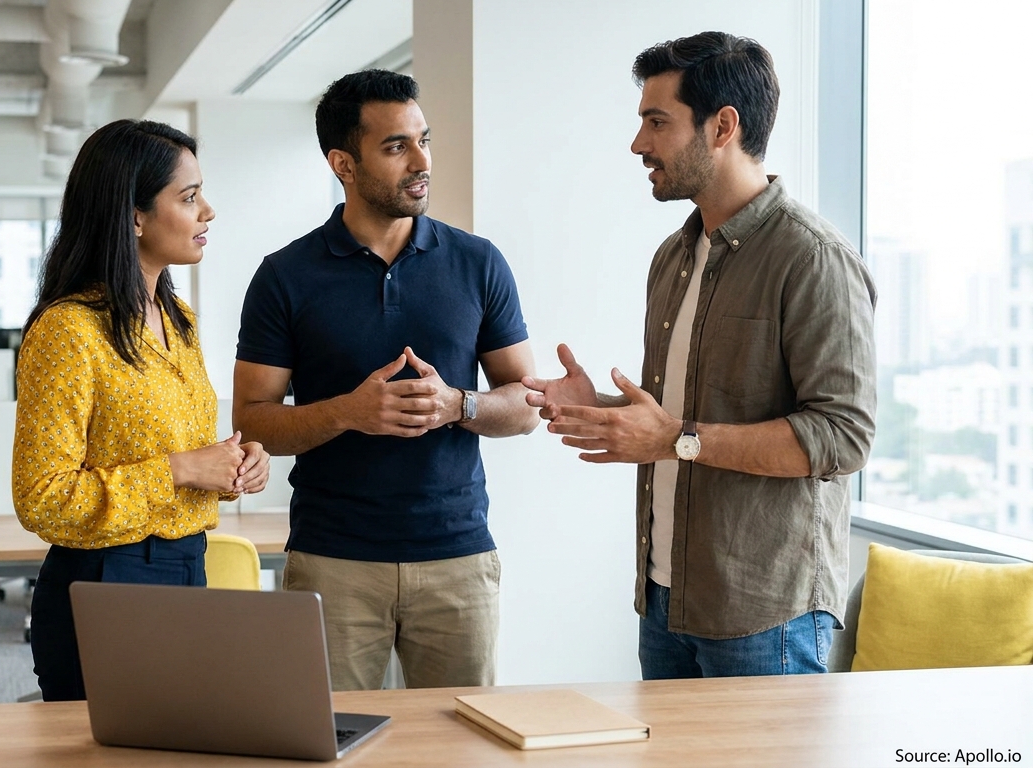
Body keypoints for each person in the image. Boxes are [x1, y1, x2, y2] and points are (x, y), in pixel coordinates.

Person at [525, 31, 877, 679]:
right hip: (664, 600)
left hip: (765, 614)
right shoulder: (674, 257)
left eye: (657, 123)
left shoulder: (812, 259)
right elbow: (681, 420)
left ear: (723, 127)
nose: (638, 145)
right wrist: (603, 410)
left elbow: (843, 438)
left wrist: (674, 438)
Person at [233, 70, 539, 691]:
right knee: (333, 743)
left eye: (423, 139)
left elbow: (527, 402)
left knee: (462, 748)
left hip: (458, 555)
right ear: (343, 163)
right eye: (397, 147)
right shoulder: (284, 277)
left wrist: (459, 404)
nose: (422, 160)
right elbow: (254, 419)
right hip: (332, 559)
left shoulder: (479, 263)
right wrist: (348, 411)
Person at [12, 119, 269, 701]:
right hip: (106, 580)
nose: (209, 211)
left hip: (187, 566)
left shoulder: (180, 322)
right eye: (189, 197)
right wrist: (181, 470)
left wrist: (233, 467)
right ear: (133, 216)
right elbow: (41, 499)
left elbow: (188, 454)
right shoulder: (69, 331)